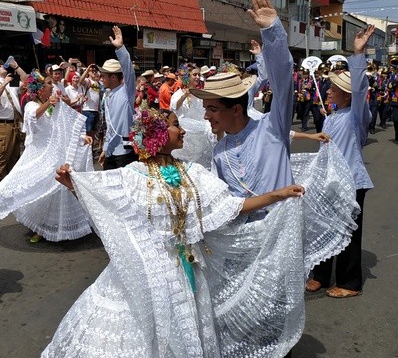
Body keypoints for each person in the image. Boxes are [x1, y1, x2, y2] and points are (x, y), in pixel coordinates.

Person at [44, 108, 358, 357]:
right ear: (155, 135)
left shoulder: (193, 173)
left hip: (189, 270)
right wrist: (74, 184)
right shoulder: (130, 176)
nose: (182, 130)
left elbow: (232, 206)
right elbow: (101, 198)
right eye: (174, 125)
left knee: (187, 332)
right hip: (148, 272)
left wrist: (277, 195)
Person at [191, 0, 294, 221]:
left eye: (213, 109)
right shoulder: (219, 152)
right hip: (244, 243)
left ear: (236, 109)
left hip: (281, 238)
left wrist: (272, 32)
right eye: (206, 108)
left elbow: (283, 81)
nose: (206, 116)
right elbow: (224, 204)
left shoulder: (271, 128)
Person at [0, 72, 93, 243]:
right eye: (48, 85)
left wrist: (81, 137)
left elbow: (62, 127)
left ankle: (53, 226)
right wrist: (48, 104)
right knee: (37, 189)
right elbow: (34, 116)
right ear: (40, 91)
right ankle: (39, 226)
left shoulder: (53, 104)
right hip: (40, 154)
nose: (52, 87)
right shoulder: (31, 105)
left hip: (54, 153)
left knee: (58, 189)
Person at [306, 26, 375, 298]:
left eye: (334, 87)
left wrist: (357, 55)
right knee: (325, 225)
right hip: (328, 180)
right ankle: (320, 275)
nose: (329, 89)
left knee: (348, 232)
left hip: (351, 181)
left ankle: (349, 282)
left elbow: (361, 89)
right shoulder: (333, 117)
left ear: (347, 95)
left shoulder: (357, 116)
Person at [0, 57, 28, 182]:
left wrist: (17, 67)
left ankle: (9, 184)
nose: (3, 66)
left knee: (14, 156)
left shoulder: (9, 81)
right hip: (2, 124)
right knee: (1, 157)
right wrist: (4, 83)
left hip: (14, 123)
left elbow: (26, 81)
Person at [98, 26, 138, 170]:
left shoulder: (126, 92)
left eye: (103, 76)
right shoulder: (108, 95)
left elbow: (129, 71)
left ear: (113, 77)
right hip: (110, 152)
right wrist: (105, 148)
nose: (100, 79)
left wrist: (120, 48)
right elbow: (110, 127)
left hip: (125, 152)